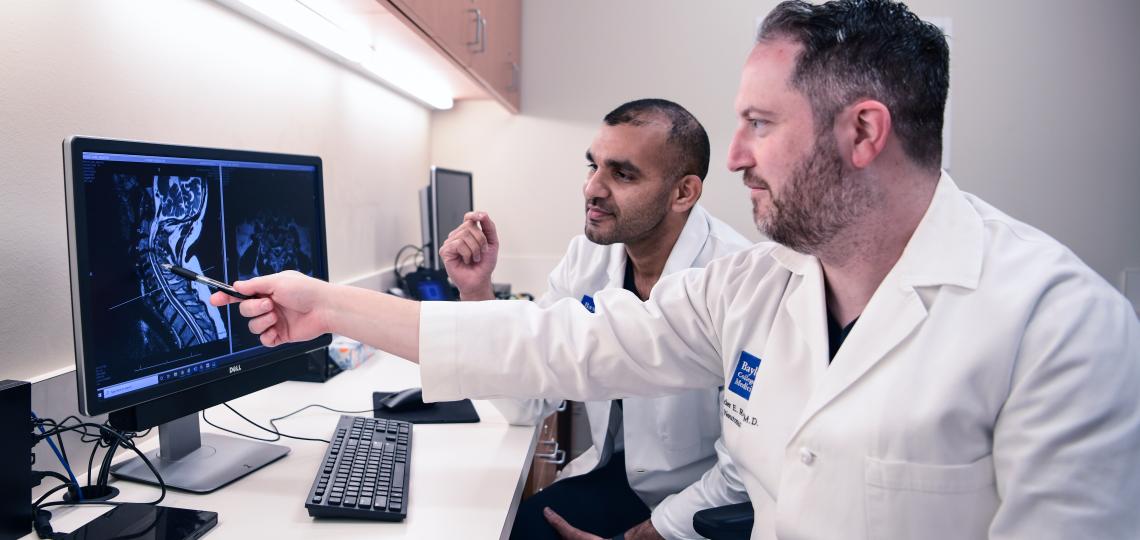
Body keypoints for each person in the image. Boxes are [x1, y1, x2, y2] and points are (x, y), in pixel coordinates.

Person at [214, 1, 1140, 537]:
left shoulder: (1060, 327)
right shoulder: (763, 285)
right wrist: (326, 305)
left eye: (760, 124)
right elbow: (555, 342)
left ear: (863, 132)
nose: (734, 157)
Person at [438, 99, 752, 540]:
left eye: (622, 174)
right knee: (512, 529)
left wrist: (645, 535)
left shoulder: (738, 280)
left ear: (684, 193)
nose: (592, 188)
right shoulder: (588, 256)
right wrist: (476, 293)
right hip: (616, 474)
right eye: (594, 166)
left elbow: (744, 468)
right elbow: (529, 399)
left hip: (698, 500)